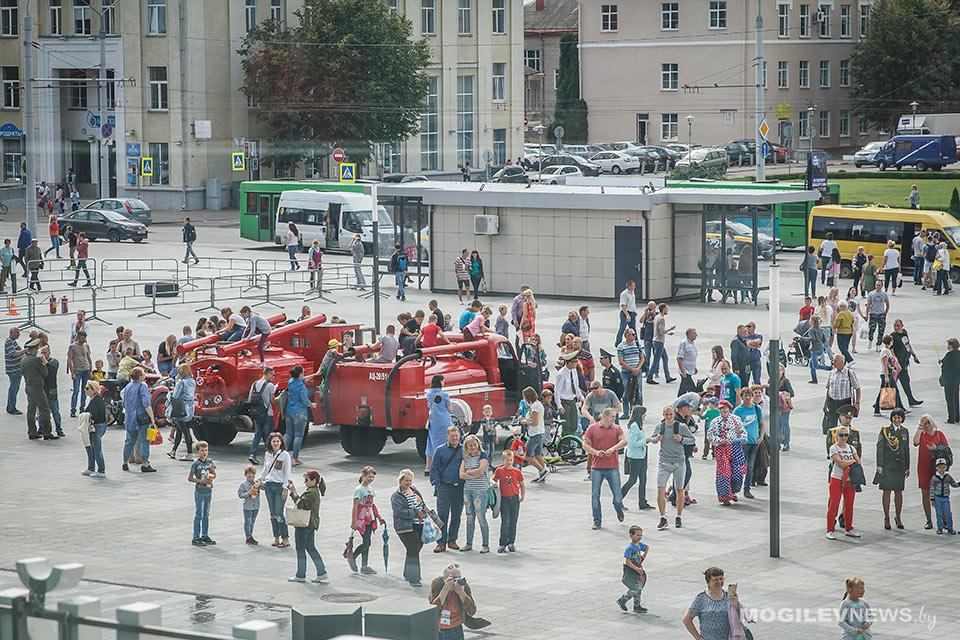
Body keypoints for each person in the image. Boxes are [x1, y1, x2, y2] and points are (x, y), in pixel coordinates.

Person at [653, 405, 693, 530]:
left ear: (674, 414)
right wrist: (656, 439)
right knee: (660, 488)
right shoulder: (660, 427)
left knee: (679, 490)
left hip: (679, 462)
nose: (669, 417)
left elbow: (692, 439)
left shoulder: (680, 427)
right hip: (664, 461)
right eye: (666, 415)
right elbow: (653, 439)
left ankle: (679, 516)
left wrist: (682, 439)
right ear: (663, 415)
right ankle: (662, 517)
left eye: (670, 414)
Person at [682, 567, 748, 640]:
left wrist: (736, 605)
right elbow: (686, 619)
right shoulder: (701, 598)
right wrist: (698, 638)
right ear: (708, 582)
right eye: (715, 580)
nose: (719, 582)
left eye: (721, 579)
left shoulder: (729, 596)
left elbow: (739, 618)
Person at [286, 469, 328, 582]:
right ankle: (321, 571)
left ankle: (300, 574)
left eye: (306, 480)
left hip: (304, 524)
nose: (305, 482)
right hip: (311, 524)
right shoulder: (314, 491)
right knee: (310, 547)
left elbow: (300, 504)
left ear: (313, 480)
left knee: (300, 549)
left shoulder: (311, 492)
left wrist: (293, 492)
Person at [429, 564, 490, 638]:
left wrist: (461, 592)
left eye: (459, 577)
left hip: (456, 630)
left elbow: (472, 611)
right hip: (438, 629)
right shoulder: (438, 583)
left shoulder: (463, 586)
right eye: (454, 578)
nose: (457, 581)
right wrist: (445, 589)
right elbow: (433, 610)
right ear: (445, 578)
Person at [875, 408, 910, 530]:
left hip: (899, 467)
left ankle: (898, 517)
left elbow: (906, 450)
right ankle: (886, 517)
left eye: (899, 417)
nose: (897, 420)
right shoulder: (885, 430)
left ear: (902, 419)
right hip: (888, 466)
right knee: (887, 491)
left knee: (899, 492)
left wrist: (907, 467)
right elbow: (880, 448)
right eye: (895, 417)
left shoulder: (905, 431)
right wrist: (879, 465)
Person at [392, 468, 428, 586]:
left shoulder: (414, 490)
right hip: (405, 526)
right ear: (400, 481)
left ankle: (408, 573)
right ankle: (414, 578)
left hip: (419, 524)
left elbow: (422, 503)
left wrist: (425, 511)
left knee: (416, 547)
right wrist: (416, 512)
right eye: (406, 480)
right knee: (413, 549)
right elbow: (400, 512)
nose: (408, 483)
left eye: (410, 480)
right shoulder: (397, 495)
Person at [826, 424, 862, 539]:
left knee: (849, 505)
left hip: (849, 480)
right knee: (834, 505)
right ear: (837, 436)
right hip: (837, 479)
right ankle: (830, 529)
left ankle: (849, 528)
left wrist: (849, 461)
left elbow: (858, 461)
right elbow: (839, 462)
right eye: (841, 435)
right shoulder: (834, 448)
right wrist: (850, 461)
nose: (843, 437)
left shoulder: (851, 448)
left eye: (846, 435)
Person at [256, 432, 292, 548]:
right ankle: (276, 537)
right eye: (273, 441)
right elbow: (265, 469)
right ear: (270, 443)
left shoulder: (285, 455)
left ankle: (285, 538)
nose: (276, 443)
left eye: (278, 441)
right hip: (269, 485)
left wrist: (285, 488)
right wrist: (259, 480)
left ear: (281, 442)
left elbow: (287, 472)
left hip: (280, 486)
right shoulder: (268, 454)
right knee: (272, 513)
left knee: (279, 512)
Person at [348, 466, 386, 574]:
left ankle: (364, 566)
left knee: (367, 542)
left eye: (372, 477)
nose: (370, 479)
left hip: (370, 518)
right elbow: (355, 506)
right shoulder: (358, 490)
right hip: (362, 519)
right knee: (367, 542)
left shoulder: (370, 490)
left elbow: (372, 506)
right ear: (363, 475)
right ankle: (352, 557)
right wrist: (353, 522)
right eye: (369, 476)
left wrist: (379, 517)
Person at [914, 414, 949, 530]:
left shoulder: (939, 434)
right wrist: (919, 426)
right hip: (923, 467)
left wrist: (935, 448)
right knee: (925, 494)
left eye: (929, 423)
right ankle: (929, 520)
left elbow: (946, 448)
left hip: (937, 468)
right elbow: (915, 442)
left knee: (940, 493)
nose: (927, 426)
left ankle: (944, 520)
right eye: (925, 424)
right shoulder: (922, 435)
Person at [459, 435, 491, 553]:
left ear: (478, 444)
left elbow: (481, 471)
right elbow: (461, 475)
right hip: (468, 490)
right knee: (469, 517)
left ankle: (485, 544)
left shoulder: (483, 455)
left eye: (474, 444)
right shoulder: (466, 457)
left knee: (480, 516)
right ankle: (469, 543)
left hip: (480, 490)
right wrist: (473, 474)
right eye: (470, 445)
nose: (473, 447)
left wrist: (470, 472)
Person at [121, 368, 156, 472]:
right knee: (145, 441)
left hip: (129, 417)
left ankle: (125, 462)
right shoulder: (142, 386)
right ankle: (145, 463)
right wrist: (152, 417)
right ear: (140, 376)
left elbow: (124, 403)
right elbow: (146, 404)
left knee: (129, 441)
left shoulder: (128, 386)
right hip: (140, 417)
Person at [620, 406, 653, 509]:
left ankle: (642, 502)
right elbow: (633, 443)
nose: (645, 415)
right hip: (635, 457)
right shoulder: (634, 426)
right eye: (644, 413)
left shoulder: (638, 425)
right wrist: (645, 440)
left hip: (641, 456)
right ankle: (618, 498)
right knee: (633, 479)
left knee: (643, 479)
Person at [492, 449, 524, 552]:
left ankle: (511, 542)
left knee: (513, 522)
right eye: (507, 460)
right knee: (505, 522)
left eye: (510, 460)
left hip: (514, 499)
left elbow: (522, 485)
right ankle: (502, 543)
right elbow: (493, 479)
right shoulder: (499, 470)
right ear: (503, 460)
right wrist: (493, 483)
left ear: (513, 460)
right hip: (504, 500)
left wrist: (522, 496)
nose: (509, 462)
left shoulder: (517, 471)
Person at [22, 338, 53, 440]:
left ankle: (32, 431)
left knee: (31, 410)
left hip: (28, 386)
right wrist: (43, 363)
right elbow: (45, 373)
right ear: (34, 349)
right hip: (37, 387)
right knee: (45, 409)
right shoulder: (35, 360)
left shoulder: (24, 359)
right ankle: (47, 432)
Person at [284, 365, 315, 466]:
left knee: (288, 434)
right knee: (298, 436)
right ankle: (295, 457)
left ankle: (281, 454)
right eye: (304, 372)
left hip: (289, 411)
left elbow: (303, 379)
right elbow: (305, 401)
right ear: (300, 374)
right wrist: (312, 405)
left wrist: (315, 374)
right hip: (299, 412)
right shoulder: (301, 387)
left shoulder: (291, 381)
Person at [187, 441, 216, 546]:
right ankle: (196, 536)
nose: (204, 452)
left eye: (206, 450)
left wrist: (212, 475)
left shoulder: (210, 462)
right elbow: (190, 478)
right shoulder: (196, 464)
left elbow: (214, 474)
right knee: (199, 514)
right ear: (197, 451)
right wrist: (201, 481)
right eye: (202, 450)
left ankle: (205, 534)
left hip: (208, 490)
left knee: (206, 514)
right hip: (200, 490)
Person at [822, 355, 861, 433]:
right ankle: (833, 442)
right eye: (833, 361)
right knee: (832, 426)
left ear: (842, 362)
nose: (833, 363)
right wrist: (825, 403)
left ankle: (845, 440)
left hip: (844, 403)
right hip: (832, 402)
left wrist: (857, 403)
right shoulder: (832, 373)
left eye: (836, 361)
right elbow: (829, 389)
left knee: (844, 425)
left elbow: (857, 388)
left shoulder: (849, 373)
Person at [246, 367, 276, 465]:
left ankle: (252, 454)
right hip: (268, 413)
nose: (273, 377)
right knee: (268, 435)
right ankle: (269, 456)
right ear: (268, 374)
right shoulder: (270, 385)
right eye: (273, 375)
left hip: (257, 413)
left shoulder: (254, 384)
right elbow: (272, 401)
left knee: (257, 434)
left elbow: (250, 398)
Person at [616, 526, 649, 614]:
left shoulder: (639, 544)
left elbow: (646, 547)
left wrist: (643, 557)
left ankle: (637, 605)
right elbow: (628, 562)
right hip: (631, 570)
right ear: (631, 535)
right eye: (637, 535)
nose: (639, 537)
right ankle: (622, 600)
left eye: (641, 535)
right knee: (635, 588)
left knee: (639, 587)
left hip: (638, 568)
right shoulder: (629, 548)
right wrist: (637, 569)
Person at [424, 374, 453, 474]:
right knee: (446, 442)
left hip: (434, 421)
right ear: (440, 381)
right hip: (444, 421)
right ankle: (443, 464)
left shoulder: (428, 393)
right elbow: (450, 409)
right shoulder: (445, 395)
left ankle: (428, 467)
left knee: (431, 443)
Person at [167, 363, 196, 461]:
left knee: (185, 431)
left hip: (182, 408)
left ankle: (189, 454)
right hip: (190, 408)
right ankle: (173, 451)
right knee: (180, 430)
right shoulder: (193, 381)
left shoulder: (181, 382)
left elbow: (175, 396)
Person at [519, 387, 548, 482]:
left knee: (527, 455)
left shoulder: (535, 407)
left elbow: (535, 422)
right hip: (540, 432)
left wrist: (525, 422)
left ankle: (542, 471)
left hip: (535, 434)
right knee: (538, 454)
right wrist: (525, 419)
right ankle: (542, 475)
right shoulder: (538, 404)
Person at [872, 335, 904, 416]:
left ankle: (877, 409)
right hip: (886, 375)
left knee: (885, 391)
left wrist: (893, 370)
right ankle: (898, 409)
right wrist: (886, 376)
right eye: (892, 340)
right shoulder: (885, 352)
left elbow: (889, 365)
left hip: (889, 374)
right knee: (891, 391)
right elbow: (885, 364)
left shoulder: (888, 350)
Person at [646, 303, 676, 385]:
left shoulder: (656, 317)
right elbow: (661, 331)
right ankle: (649, 377)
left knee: (665, 358)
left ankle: (668, 377)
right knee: (656, 360)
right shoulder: (662, 319)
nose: (667, 310)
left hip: (656, 340)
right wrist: (670, 330)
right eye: (666, 309)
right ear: (663, 310)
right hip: (659, 342)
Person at [81, 380, 107, 477]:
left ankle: (101, 470)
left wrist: (88, 419)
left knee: (96, 449)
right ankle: (91, 468)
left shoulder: (95, 401)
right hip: (100, 425)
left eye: (87, 388)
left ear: (94, 390)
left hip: (97, 426)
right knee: (92, 448)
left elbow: (94, 415)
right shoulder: (96, 399)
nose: (85, 390)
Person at [66, 331, 92, 418]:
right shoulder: (72, 347)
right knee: (76, 391)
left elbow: (88, 357)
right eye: (82, 338)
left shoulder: (86, 346)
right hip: (78, 370)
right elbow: (69, 359)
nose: (84, 339)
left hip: (86, 369)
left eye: (85, 338)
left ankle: (82, 408)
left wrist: (90, 370)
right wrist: (72, 372)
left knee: (85, 391)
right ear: (78, 337)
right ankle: (73, 409)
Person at [931, 458, 958, 534]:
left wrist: (958, 484)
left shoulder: (948, 476)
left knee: (948, 513)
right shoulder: (934, 478)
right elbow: (932, 489)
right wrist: (932, 499)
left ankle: (950, 528)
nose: (942, 469)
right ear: (936, 468)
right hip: (937, 498)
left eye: (943, 467)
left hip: (945, 498)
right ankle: (940, 528)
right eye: (940, 467)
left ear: (946, 467)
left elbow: (953, 484)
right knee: (938, 513)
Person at [238, 464, 261, 544]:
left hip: (256, 505)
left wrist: (259, 484)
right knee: (248, 521)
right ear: (245, 475)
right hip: (248, 506)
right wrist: (249, 493)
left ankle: (250, 534)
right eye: (249, 477)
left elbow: (264, 487)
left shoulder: (256, 483)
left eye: (253, 476)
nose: (251, 479)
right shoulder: (243, 485)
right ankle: (248, 536)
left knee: (252, 521)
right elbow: (240, 494)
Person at [941, 338, 960, 423]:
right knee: (956, 398)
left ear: (951, 346)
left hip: (949, 380)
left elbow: (945, 368)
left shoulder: (949, 355)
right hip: (957, 379)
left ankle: (951, 418)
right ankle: (957, 417)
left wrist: (941, 364)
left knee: (949, 399)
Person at [676, 328, 698, 395]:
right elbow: (679, 358)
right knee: (692, 389)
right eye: (694, 333)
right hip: (685, 371)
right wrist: (683, 371)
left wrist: (694, 367)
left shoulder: (692, 343)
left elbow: (691, 356)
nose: (696, 335)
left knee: (683, 389)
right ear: (689, 334)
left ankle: (680, 402)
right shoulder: (684, 343)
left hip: (690, 371)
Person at [777, 364, 794, 452]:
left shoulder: (785, 381)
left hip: (785, 406)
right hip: (777, 406)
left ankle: (786, 442)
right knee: (778, 425)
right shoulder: (772, 380)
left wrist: (783, 394)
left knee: (784, 424)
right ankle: (778, 442)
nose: (778, 372)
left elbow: (792, 393)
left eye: (780, 370)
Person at [616, 280, 638, 345]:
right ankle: (618, 342)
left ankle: (636, 343)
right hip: (625, 313)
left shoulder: (632, 292)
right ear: (629, 286)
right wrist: (627, 315)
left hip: (632, 313)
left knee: (633, 329)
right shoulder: (624, 294)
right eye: (633, 285)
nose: (634, 287)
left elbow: (632, 303)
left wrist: (634, 311)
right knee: (622, 328)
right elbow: (623, 305)